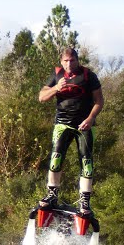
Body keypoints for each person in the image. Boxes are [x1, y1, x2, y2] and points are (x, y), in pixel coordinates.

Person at [38, 47, 104, 216]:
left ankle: (85, 202)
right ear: (61, 61)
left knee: (87, 163)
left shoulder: (89, 76)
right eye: (66, 61)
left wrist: (90, 119)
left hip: (84, 125)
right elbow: (41, 97)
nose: (69, 64)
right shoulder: (57, 75)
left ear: (77, 60)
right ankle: (52, 196)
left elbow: (99, 101)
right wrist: (56, 88)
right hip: (62, 124)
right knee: (56, 158)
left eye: (72, 60)